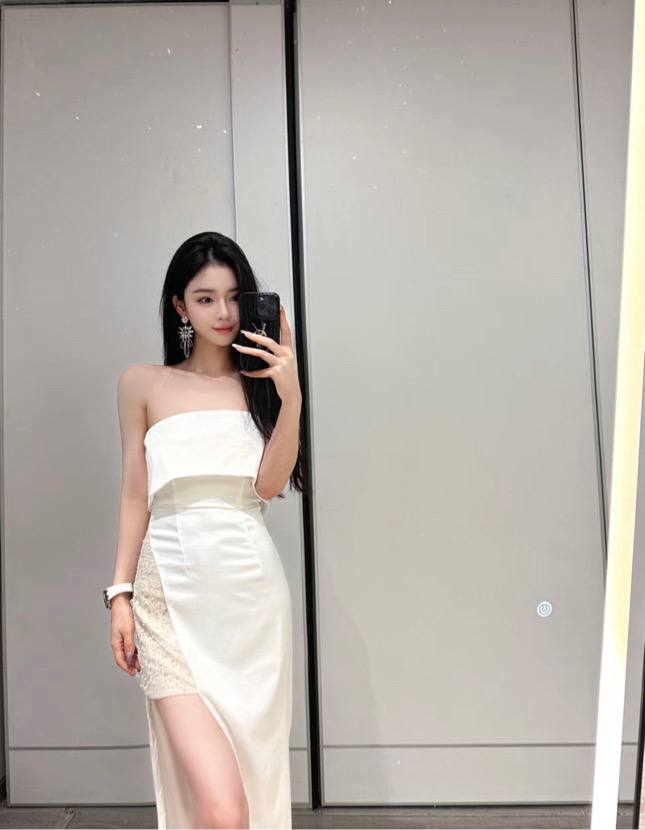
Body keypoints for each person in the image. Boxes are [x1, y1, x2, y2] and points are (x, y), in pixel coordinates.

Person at [105, 231, 305, 829]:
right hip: (164, 598)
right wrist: (119, 594)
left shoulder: (262, 387)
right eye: (205, 298)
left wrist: (291, 396)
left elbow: (268, 487)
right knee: (222, 808)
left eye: (235, 297)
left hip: (249, 600)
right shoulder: (141, 384)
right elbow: (135, 493)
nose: (224, 313)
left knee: (251, 789)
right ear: (179, 306)